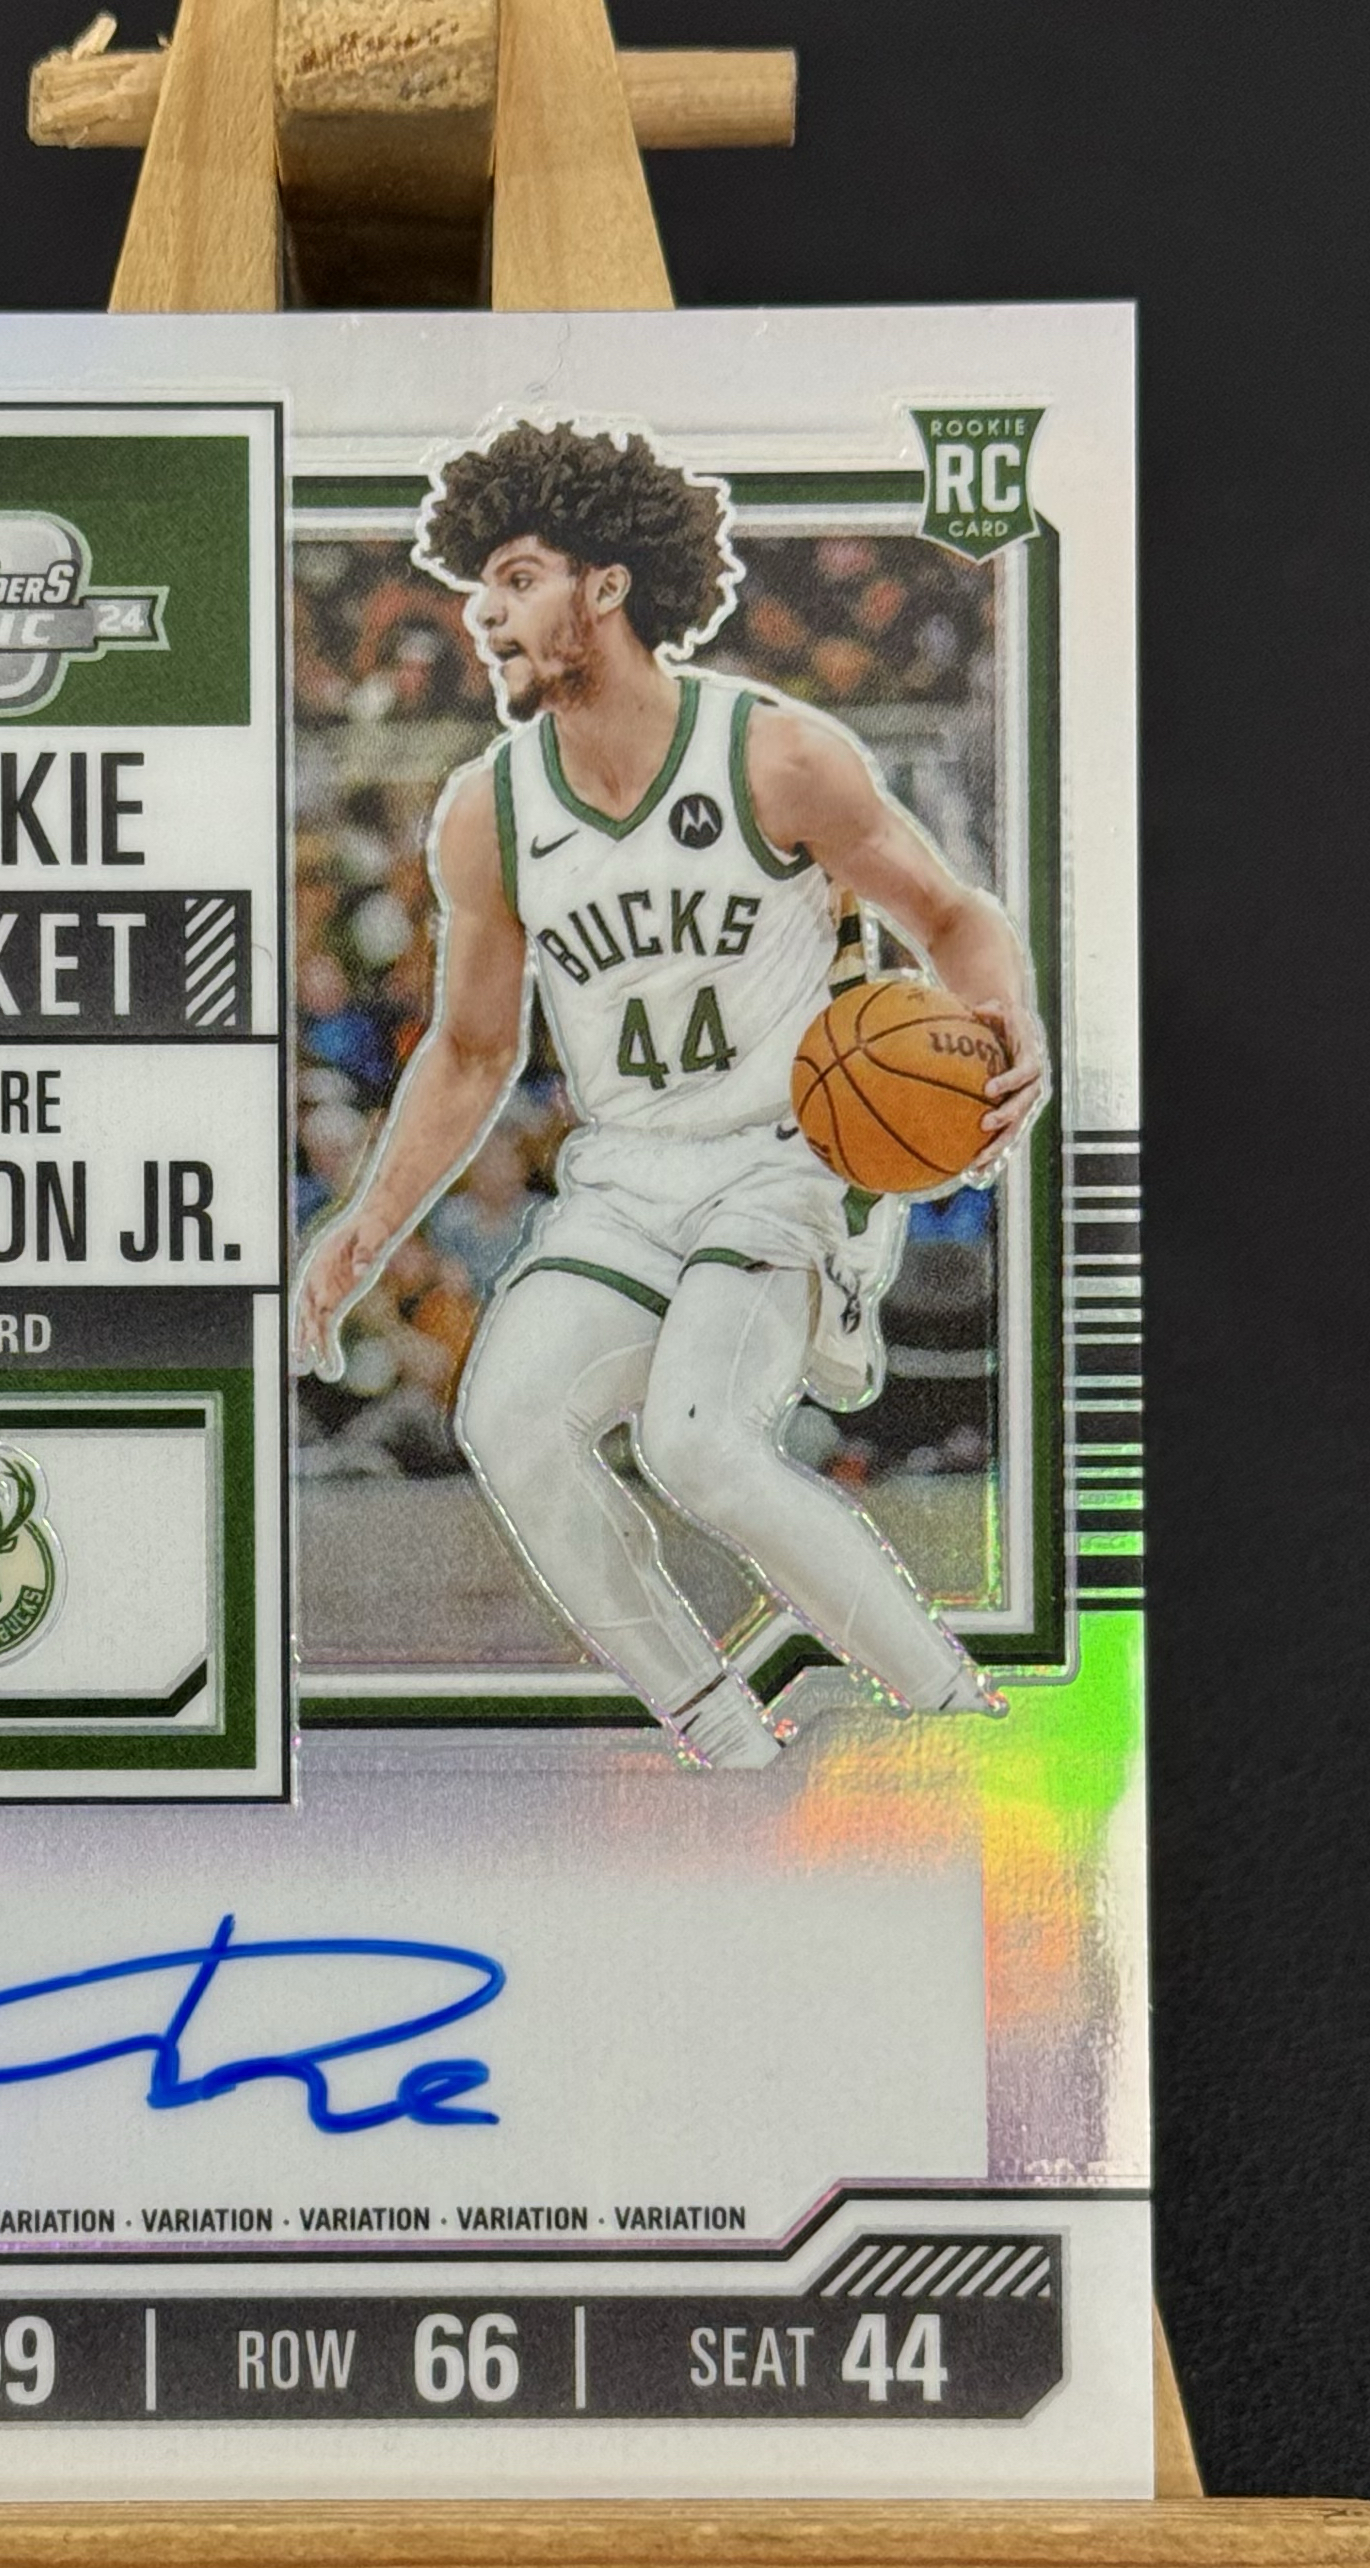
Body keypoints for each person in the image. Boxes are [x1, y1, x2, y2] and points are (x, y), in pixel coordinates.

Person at [291, 420, 1047, 1766]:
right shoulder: (487, 812)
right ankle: (723, 1738)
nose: (486, 613)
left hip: (793, 1148)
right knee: (507, 1423)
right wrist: (367, 1224)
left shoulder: (777, 757)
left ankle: (953, 1712)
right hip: (630, 1171)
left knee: (698, 1444)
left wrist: (1011, 1025)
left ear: (609, 585)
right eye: (481, 585)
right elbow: (471, 1053)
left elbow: (951, 914)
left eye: (518, 577)